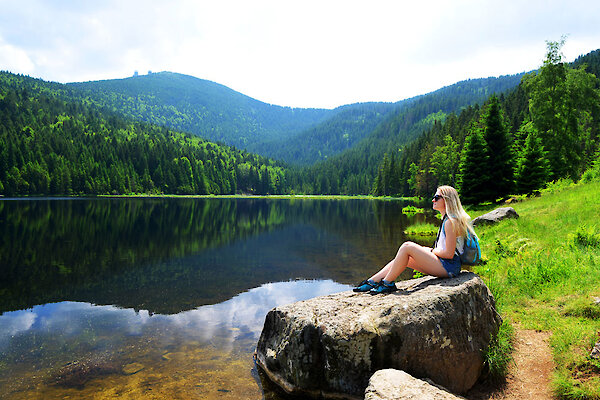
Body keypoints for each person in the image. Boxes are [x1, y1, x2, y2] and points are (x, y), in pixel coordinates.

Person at [353, 185, 475, 294]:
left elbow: (448, 254)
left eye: (436, 197)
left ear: (447, 200)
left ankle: (387, 283)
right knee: (406, 258)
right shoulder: (447, 220)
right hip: (446, 264)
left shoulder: (450, 222)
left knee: (407, 246)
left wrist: (432, 251)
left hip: (449, 266)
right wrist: (429, 250)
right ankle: (373, 281)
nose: (433, 200)